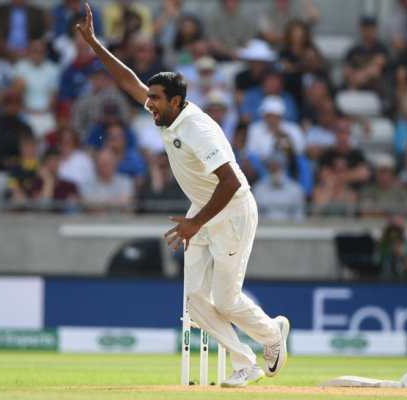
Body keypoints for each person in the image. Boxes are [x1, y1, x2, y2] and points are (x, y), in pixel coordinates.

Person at [76, 3, 289, 387]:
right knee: (193, 302)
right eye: (151, 98)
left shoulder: (199, 129)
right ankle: (245, 362)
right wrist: (94, 43)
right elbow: (128, 81)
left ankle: (272, 335)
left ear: (176, 101)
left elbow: (231, 183)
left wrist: (195, 222)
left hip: (232, 211)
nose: (150, 103)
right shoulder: (165, 113)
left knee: (224, 301)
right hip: (202, 208)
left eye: (156, 99)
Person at [252, 153, 305, 221]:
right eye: (272, 167)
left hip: (289, 229)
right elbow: (255, 217)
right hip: (265, 229)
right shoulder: (258, 189)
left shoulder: (296, 190)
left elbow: (299, 217)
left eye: (278, 167)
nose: (275, 170)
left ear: (284, 167)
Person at [376, 217, 407, 281]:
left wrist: (402, 257)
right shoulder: (382, 248)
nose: (393, 234)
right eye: (390, 230)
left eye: (397, 231)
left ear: (402, 232)